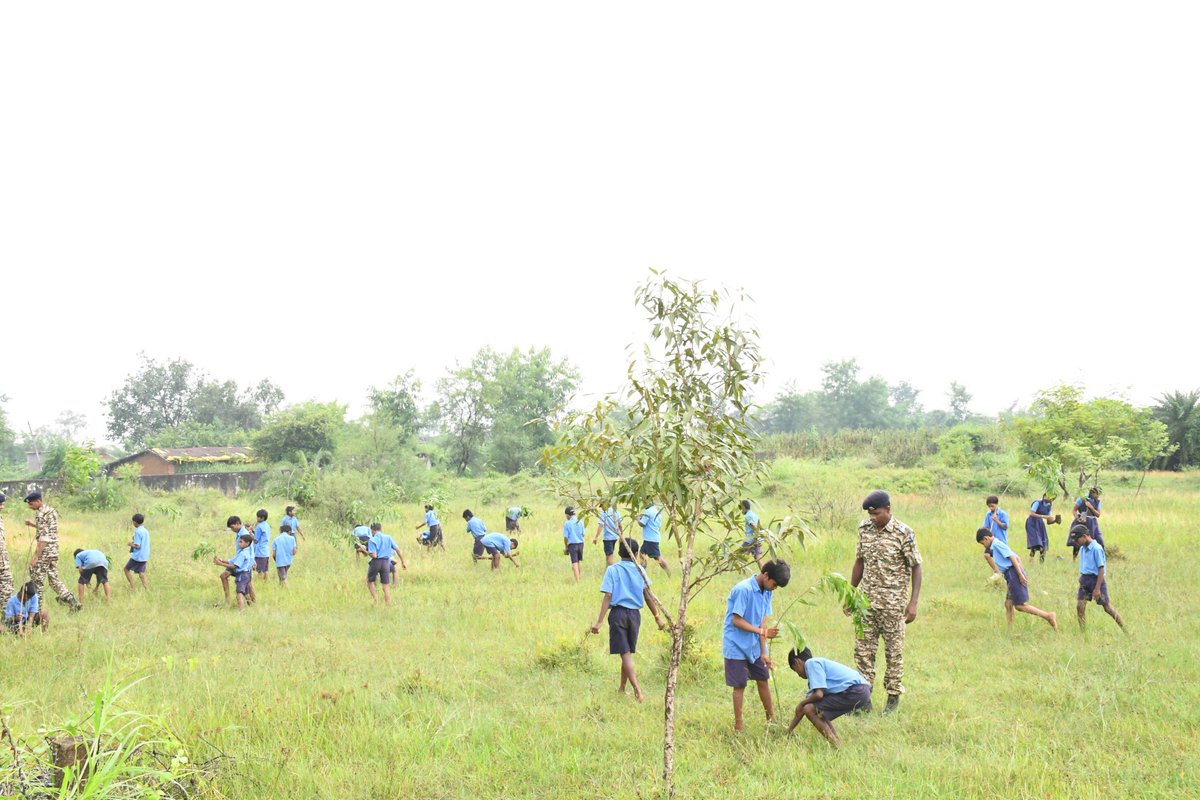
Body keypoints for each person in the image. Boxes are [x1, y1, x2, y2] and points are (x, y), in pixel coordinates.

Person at [849, 490, 922, 715]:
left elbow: (916, 566)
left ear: (888, 510)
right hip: (866, 603)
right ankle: (863, 700)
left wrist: (913, 603)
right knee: (863, 652)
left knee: (894, 652)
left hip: (893, 606)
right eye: (870, 514)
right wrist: (850, 595)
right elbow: (859, 562)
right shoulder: (865, 530)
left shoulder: (904, 533)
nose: (873, 518)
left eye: (877, 513)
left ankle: (892, 700)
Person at [589, 537, 664, 701]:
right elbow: (648, 596)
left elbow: (608, 595)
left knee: (625, 654)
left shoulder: (612, 570)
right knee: (626, 652)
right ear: (636, 554)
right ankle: (622, 688)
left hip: (618, 615)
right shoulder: (640, 570)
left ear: (618, 552)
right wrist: (657, 617)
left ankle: (638, 690)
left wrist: (600, 621)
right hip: (635, 616)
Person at [723, 559, 790, 731]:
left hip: (754, 646)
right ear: (766, 575)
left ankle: (771, 720)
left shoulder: (767, 592)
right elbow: (736, 620)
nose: (774, 589)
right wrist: (762, 633)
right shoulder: (743, 589)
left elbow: (762, 624)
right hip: (736, 645)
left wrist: (764, 652)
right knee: (739, 685)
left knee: (763, 679)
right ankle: (739, 725)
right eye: (774, 584)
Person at [785, 648, 873, 747]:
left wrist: (802, 703)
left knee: (810, 709)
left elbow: (818, 695)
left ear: (797, 662)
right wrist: (788, 732)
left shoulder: (811, 663)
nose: (798, 675)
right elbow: (803, 709)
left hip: (856, 690)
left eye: (795, 670)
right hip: (862, 690)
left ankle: (837, 745)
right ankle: (838, 743)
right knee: (818, 710)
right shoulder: (816, 673)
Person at [975, 529, 1057, 631]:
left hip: (1013, 574)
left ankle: (1048, 616)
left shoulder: (996, 544)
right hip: (1010, 575)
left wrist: (1020, 574)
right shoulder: (995, 545)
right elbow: (1017, 557)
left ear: (986, 538)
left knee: (1019, 606)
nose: (984, 546)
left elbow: (1013, 557)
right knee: (1008, 604)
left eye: (983, 543)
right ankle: (1010, 630)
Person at [24, 492, 80, 611]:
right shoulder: (50, 511)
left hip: (45, 551)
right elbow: (48, 529)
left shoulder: (40, 513)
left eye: (31, 503)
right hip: (54, 550)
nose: (30, 506)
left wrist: (36, 557)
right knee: (54, 579)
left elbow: (44, 538)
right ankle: (72, 601)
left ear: (39, 501)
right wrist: (32, 524)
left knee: (37, 580)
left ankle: (36, 610)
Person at [1072, 525, 1125, 632]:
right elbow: (1085, 564)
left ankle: (1125, 630)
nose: (1076, 542)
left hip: (1096, 581)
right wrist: (1081, 577)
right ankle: (1083, 633)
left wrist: (1097, 589)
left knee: (1107, 608)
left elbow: (1101, 569)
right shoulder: (1082, 548)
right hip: (1084, 580)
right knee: (1080, 607)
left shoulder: (1097, 548)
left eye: (1077, 539)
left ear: (1084, 536)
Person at [356, 523, 405, 605]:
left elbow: (374, 555)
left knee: (369, 581)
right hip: (386, 562)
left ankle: (375, 600)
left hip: (376, 562)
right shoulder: (388, 537)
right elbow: (397, 549)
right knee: (386, 586)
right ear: (380, 529)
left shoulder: (372, 540)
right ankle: (388, 605)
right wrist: (403, 561)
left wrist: (364, 550)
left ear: (372, 530)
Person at [213, 533, 255, 610]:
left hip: (242, 575)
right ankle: (253, 607)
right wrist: (221, 560)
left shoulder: (243, 554)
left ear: (247, 543)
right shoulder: (244, 552)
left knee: (239, 594)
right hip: (246, 575)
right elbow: (232, 561)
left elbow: (234, 566)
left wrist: (220, 564)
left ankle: (242, 611)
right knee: (246, 593)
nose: (239, 543)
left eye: (241, 542)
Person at [221, 516, 257, 605]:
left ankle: (230, 601)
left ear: (237, 524)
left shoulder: (243, 533)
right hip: (240, 560)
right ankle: (252, 603)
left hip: (243, 562)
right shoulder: (240, 532)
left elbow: (250, 547)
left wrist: (252, 561)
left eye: (232, 527)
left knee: (246, 583)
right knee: (247, 582)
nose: (232, 529)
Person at [1071, 488, 1105, 559]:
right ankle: (1074, 558)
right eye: (1096, 494)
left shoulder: (1098, 501)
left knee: (1099, 540)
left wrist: (1091, 507)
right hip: (1082, 523)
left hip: (1093, 523)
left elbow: (1098, 515)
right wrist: (1078, 518)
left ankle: (1101, 558)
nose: (1098, 496)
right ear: (1092, 493)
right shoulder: (1082, 498)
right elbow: (1074, 510)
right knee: (1079, 541)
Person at [637, 502, 670, 575]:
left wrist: (638, 519)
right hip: (652, 538)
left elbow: (642, 523)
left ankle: (669, 573)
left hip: (650, 539)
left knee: (658, 558)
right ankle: (642, 573)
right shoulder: (656, 510)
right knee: (642, 554)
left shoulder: (648, 511)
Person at [1025, 493, 1059, 562]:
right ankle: (1031, 560)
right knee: (1036, 543)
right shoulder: (1037, 503)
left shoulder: (1049, 506)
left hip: (1040, 524)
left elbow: (1048, 521)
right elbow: (1031, 513)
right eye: (1046, 496)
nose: (1047, 498)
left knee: (1043, 544)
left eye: (1050, 498)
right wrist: (1043, 516)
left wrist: (1055, 521)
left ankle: (1041, 562)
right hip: (1031, 523)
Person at [125, 513, 151, 590]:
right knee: (141, 573)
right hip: (145, 555)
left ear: (135, 522)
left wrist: (130, 544)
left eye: (133, 522)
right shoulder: (145, 530)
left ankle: (133, 586)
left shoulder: (138, 532)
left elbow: (137, 545)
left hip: (138, 556)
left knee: (126, 569)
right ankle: (147, 589)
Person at [594, 500, 623, 566]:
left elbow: (601, 525)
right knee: (609, 554)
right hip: (615, 537)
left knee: (609, 556)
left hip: (608, 538)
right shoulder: (616, 512)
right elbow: (620, 525)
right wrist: (621, 535)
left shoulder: (604, 513)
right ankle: (608, 569)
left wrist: (596, 537)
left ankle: (612, 570)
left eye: (602, 506)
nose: (602, 508)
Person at [563, 506, 586, 581]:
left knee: (574, 563)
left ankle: (578, 581)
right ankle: (579, 577)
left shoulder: (567, 523)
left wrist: (566, 547)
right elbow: (583, 534)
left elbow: (566, 537)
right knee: (578, 561)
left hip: (572, 545)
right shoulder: (580, 521)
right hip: (581, 544)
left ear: (568, 515)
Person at [741, 499, 765, 569]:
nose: (741, 511)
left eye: (741, 508)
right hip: (756, 539)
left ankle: (737, 571)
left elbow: (754, 527)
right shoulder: (754, 515)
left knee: (737, 556)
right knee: (758, 559)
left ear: (744, 508)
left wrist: (756, 540)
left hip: (750, 541)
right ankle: (764, 573)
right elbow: (760, 526)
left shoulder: (747, 517)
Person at [0, 492, 13, 607]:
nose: (2, 506)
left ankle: (5, 617)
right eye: (0, 504)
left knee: (7, 588)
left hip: (3, 562)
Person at [253, 510, 271, 580]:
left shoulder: (259, 526)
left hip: (259, 551)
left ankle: (259, 583)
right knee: (265, 570)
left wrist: (249, 535)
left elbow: (256, 540)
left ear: (262, 518)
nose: (257, 518)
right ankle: (266, 584)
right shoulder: (267, 525)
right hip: (265, 551)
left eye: (258, 517)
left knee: (259, 571)